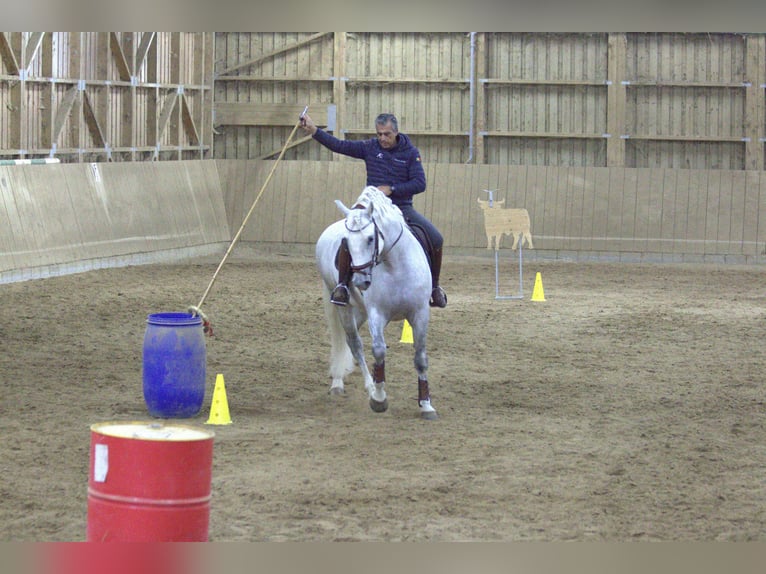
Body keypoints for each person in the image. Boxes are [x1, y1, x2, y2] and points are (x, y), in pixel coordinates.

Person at [300, 112, 447, 308]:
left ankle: (434, 288)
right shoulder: (370, 147)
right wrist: (315, 131)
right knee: (349, 235)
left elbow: (419, 183)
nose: (382, 139)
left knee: (436, 238)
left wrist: (392, 189)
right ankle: (342, 285)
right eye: (379, 134)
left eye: (386, 134)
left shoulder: (411, 153)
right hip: (372, 209)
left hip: (401, 208)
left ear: (396, 132)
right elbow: (340, 146)